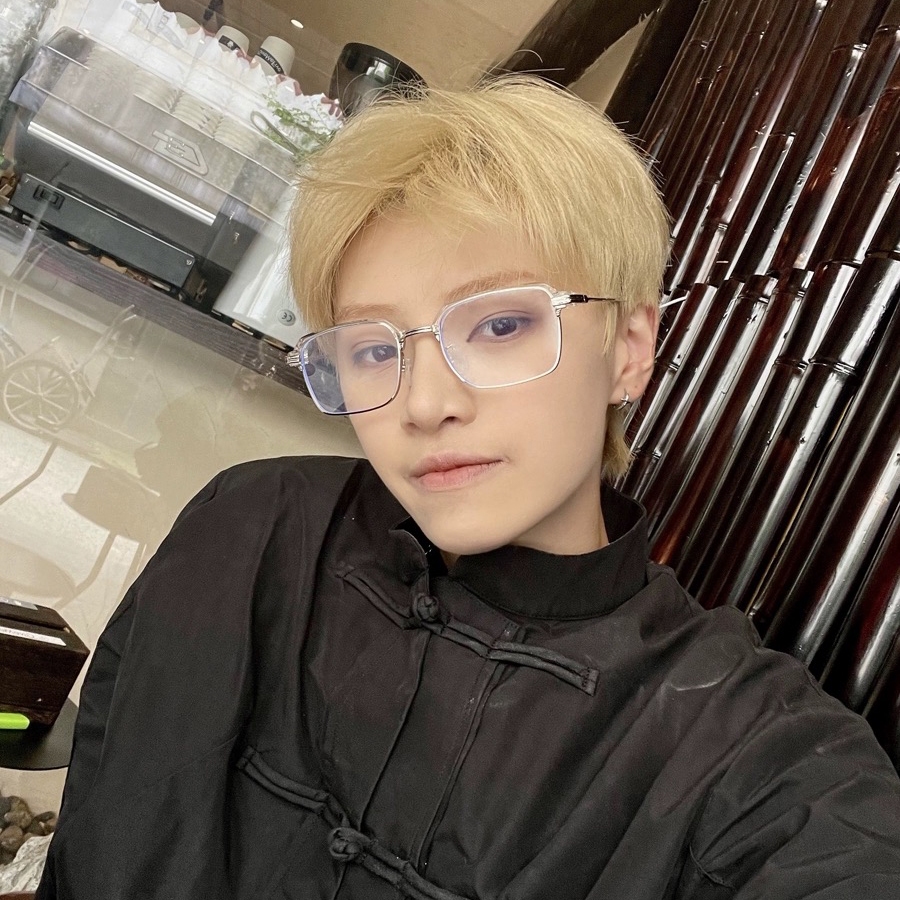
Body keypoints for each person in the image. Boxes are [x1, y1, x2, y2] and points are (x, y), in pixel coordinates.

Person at [37, 76, 900, 900]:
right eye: (372, 348)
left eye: (499, 323)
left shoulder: (752, 751)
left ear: (630, 349)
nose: (424, 403)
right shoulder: (252, 529)